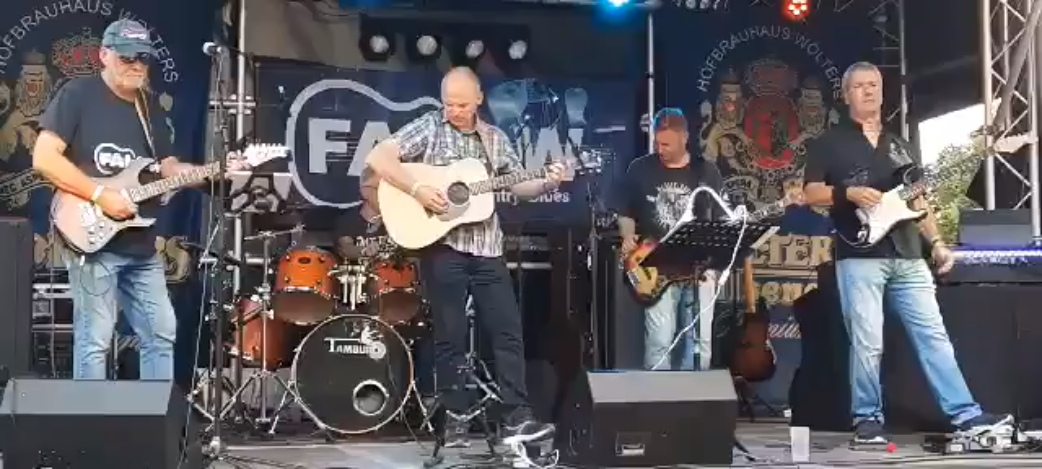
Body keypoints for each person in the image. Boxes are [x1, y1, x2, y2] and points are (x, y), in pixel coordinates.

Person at [802, 61, 1011, 444]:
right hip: (861, 253)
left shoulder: (900, 144)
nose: (869, 91)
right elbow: (810, 192)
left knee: (934, 337)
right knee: (868, 342)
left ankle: (965, 414)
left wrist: (937, 243)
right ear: (846, 95)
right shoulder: (829, 143)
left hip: (909, 253)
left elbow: (918, 200)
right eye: (860, 86)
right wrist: (847, 193)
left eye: (874, 85)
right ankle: (867, 420)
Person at [32, 19, 243, 381]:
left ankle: (153, 415)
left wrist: (211, 172)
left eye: (142, 58)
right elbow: (44, 159)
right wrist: (100, 195)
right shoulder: (78, 95)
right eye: (127, 57)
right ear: (104, 55)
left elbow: (167, 166)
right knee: (95, 338)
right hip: (92, 238)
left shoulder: (148, 105)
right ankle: (89, 417)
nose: (136, 65)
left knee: (161, 333)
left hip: (140, 242)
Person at [364, 67, 564, 446]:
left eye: (461, 104)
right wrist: (419, 189)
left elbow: (518, 185)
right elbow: (379, 156)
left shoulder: (494, 138)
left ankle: (516, 417)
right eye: (448, 104)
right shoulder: (430, 127)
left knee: (507, 332)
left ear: (479, 100)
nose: (453, 111)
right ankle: (454, 415)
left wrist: (547, 182)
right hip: (445, 249)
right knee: (450, 336)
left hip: (488, 249)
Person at [616, 108, 725, 371]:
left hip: (698, 268)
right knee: (659, 341)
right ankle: (658, 396)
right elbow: (625, 212)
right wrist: (627, 236)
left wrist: (717, 262)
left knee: (700, 343)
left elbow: (721, 219)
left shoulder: (706, 172)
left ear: (684, 138)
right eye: (657, 143)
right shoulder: (640, 169)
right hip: (656, 267)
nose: (660, 149)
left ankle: (693, 395)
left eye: (667, 144)